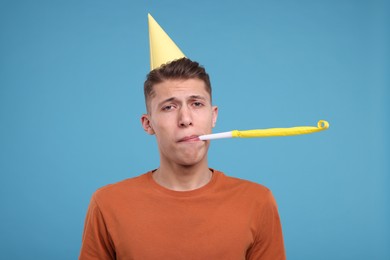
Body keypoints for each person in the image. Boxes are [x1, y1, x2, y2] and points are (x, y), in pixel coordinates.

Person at [79, 57, 286, 259]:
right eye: (169, 107)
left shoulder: (257, 202)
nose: (186, 119)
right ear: (147, 123)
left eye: (196, 104)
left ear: (213, 116)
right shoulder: (107, 204)